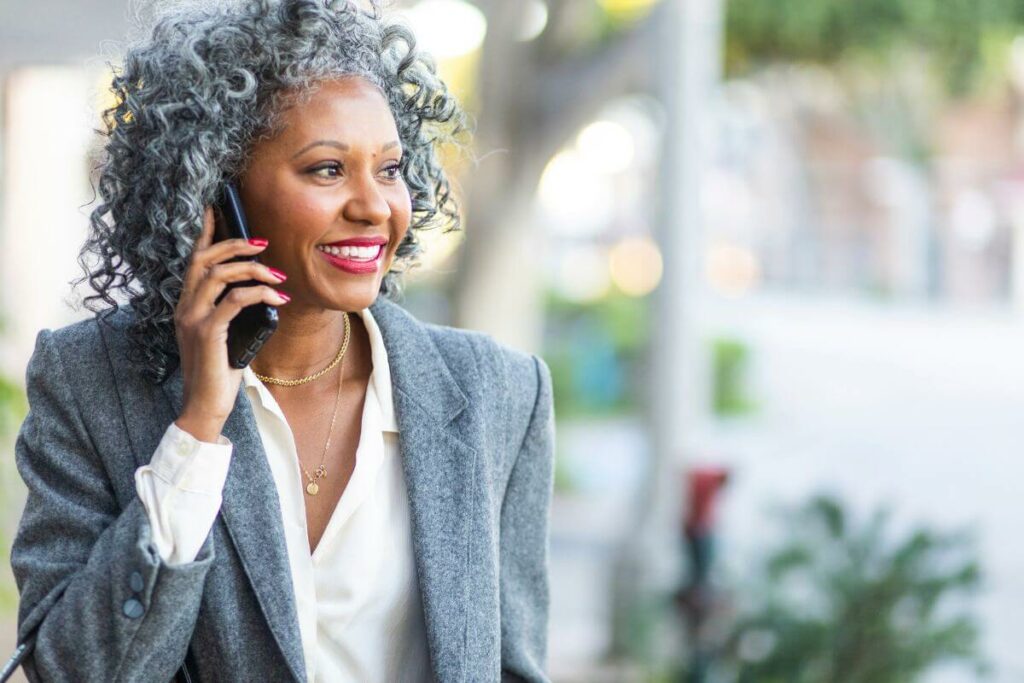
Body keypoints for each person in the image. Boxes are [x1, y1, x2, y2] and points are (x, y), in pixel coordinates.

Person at [9, 1, 555, 681]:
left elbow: (513, 665)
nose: (374, 206)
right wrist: (196, 432)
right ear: (213, 191)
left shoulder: (501, 393)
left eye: (388, 169)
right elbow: (71, 670)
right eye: (327, 169)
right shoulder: (89, 381)